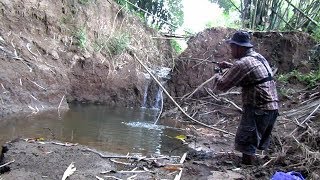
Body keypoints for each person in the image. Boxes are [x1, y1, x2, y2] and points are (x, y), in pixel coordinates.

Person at [214, 30, 279, 165]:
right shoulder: (258, 57)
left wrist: (218, 74)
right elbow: (251, 70)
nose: (231, 50)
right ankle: (252, 166)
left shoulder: (242, 64)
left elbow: (222, 85)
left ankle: (247, 170)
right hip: (272, 108)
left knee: (247, 144)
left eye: (232, 47)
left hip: (258, 108)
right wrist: (229, 66)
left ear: (239, 47)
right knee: (252, 142)